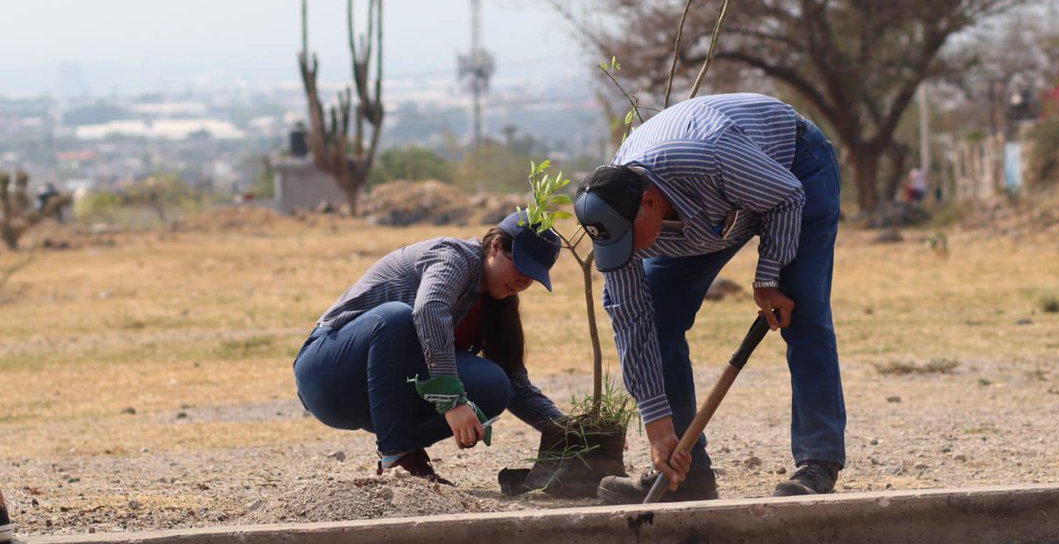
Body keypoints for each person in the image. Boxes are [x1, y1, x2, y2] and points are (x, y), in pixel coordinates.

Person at [574, 93, 845, 502]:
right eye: (616, 247)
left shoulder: (710, 155)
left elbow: (786, 196)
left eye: (631, 240)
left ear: (649, 204)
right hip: (716, 211)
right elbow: (634, 325)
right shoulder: (618, 220)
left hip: (793, 168)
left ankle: (818, 463)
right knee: (658, 318)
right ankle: (687, 472)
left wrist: (769, 277)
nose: (628, 254)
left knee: (799, 310)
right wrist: (658, 426)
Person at [293, 211, 564, 482]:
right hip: (328, 373)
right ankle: (396, 455)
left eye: (534, 276)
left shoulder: (500, 301)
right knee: (396, 318)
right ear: (495, 247)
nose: (525, 281)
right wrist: (452, 401)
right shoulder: (455, 257)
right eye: (522, 267)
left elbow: (517, 383)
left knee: (496, 385)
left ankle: (406, 464)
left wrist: (568, 430)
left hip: (381, 393)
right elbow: (429, 309)